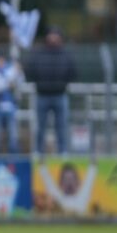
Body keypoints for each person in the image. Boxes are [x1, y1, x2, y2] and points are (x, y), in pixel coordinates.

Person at [24, 26, 76, 155]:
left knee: (62, 127)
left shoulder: (66, 55)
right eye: (51, 35)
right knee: (40, 127)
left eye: (56, 35)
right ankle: (38, 151)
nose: (53, 38)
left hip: (60, 94)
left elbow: (73, 72)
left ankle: (63, 151)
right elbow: (30, 71)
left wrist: (63, 84)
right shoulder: (38, 54)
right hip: (42, 95)